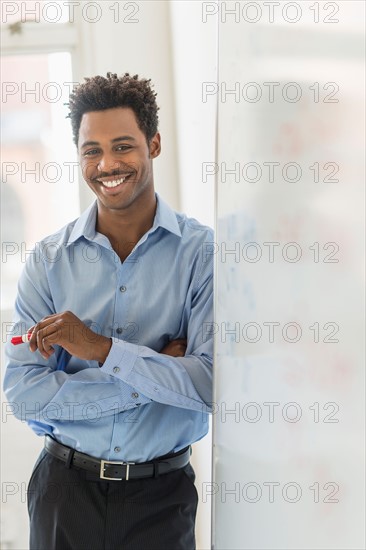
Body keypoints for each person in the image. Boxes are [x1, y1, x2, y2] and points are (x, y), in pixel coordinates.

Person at [3, 72, 214, 550]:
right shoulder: (48, 260)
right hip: (64, 489)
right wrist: (150, 376)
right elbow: (24, 395)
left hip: (161, 499)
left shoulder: (202, 255)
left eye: (122, 146)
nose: (106, 164)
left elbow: (206, 386)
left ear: (153, 144)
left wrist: (99, 349)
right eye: (91, 150)